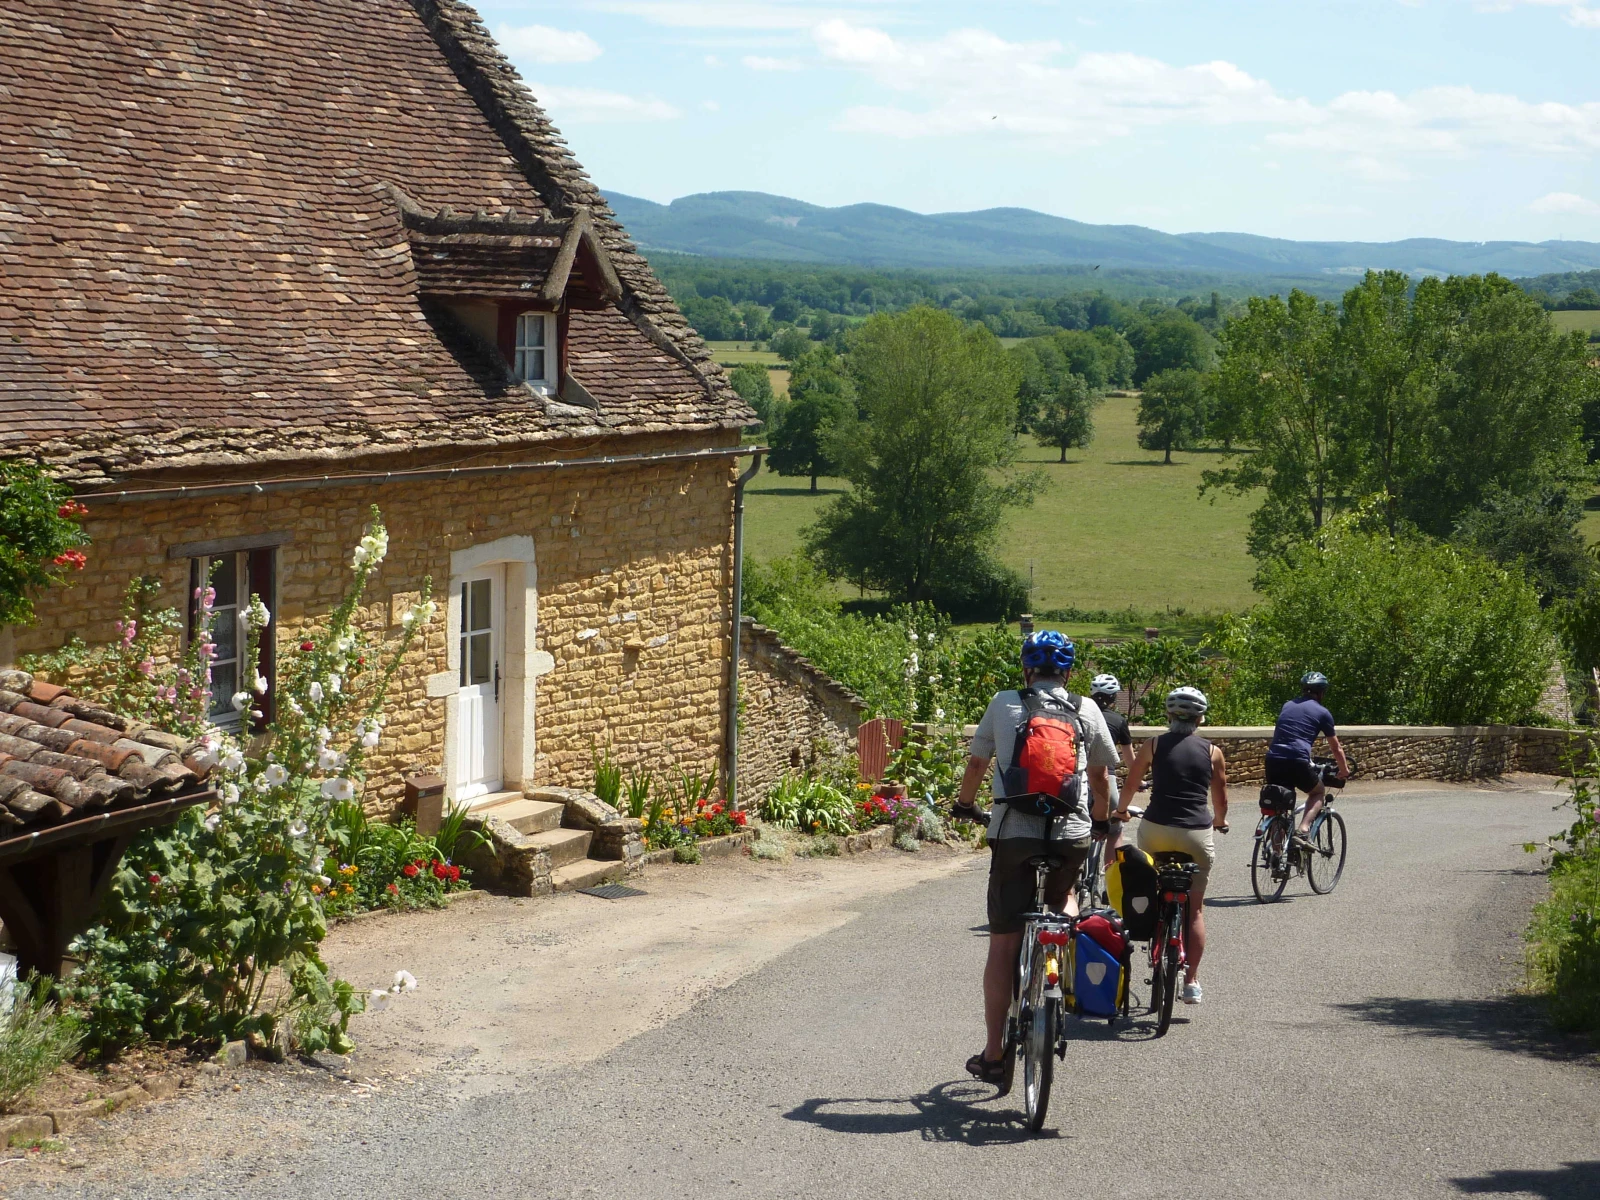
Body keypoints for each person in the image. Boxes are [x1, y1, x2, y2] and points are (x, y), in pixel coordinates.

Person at [953, 630, 1117, 1085]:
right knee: (1064, 897)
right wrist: (1100, 823)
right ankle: (1057, 959)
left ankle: (992, 1055)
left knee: (1003, 942)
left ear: (1027, 668)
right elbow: (1102, 775)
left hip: (1013, 832)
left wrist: (965, 806)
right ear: (1068, 671)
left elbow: (975, 764)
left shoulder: (1004, 702)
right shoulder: (1086, 708)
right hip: (1072, 832)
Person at [1115, 686, 1228, 1006]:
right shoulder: (1212, 752)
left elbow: (1133, 781)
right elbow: (1220, 797)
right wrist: (1219, 821)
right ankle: (1191, 981)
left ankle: (1154, 930)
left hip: (1156, 830)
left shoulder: (1153, 745)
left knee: (1151, 884)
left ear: (1168, 716)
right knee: (1194, 911)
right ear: (1200, 719)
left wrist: (1121, 810)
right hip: (1195, 834)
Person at [1264, 671, 1349, 849]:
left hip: (1273, 759)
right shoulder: (1323, 712)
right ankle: (1303, 830)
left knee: (1279, 804)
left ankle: (1277, 856)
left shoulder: (1288, 705)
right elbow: (1336, 748)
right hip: (1296, 759)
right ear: (1321, 693)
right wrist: (1344, 770)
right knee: (1318, 792)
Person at [1089, 673, 1135, 865]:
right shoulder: (1118, 721)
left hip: (1078, 777)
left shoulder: (1078, 714)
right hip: (1106, 778)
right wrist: (1139, 781)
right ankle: (1111, 880)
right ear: (1114, 698)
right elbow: (1131, 761)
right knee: (1115, 830)